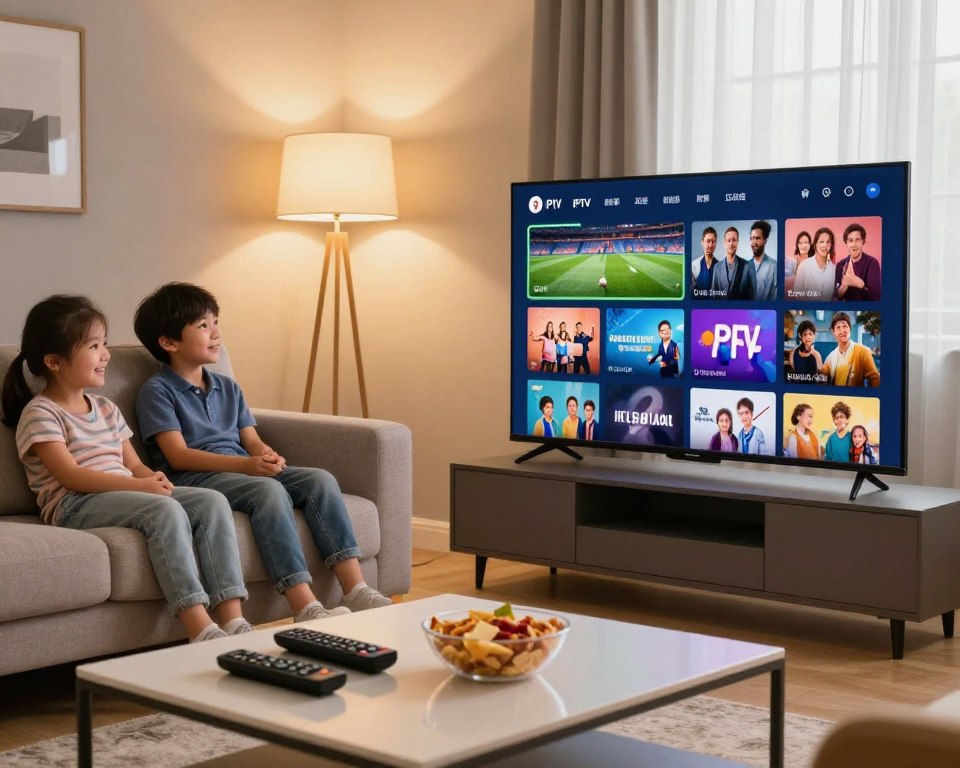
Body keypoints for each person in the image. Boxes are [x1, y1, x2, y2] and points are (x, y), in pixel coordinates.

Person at [133, 283, 391, 621]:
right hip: (195, 476)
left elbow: (250, 438)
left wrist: (266, 455)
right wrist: (247, 466)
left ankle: (355, 588)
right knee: (266, 490)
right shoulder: (157, 391)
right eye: (203, 326)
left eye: (215, 322)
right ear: (169, 342)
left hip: (241, 468)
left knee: (320, 480)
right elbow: (178, 456)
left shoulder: (227, 387)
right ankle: (303, 604)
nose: (216, 332)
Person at [0, 295, 250, 642]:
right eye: (94, 346)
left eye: (104, 344)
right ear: (54, 361)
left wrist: (151, 478)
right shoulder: (41, 413)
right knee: (162, 511)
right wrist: (140, 488)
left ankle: (233, 618)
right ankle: (198, 626)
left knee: (211, 502)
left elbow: (132, 464)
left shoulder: (105, 407)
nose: (106, 354)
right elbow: (72, 476)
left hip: (122, 492)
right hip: (74, 503)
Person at [820, 311, 880, 387]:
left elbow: (875, 379)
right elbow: (823, 382)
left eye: (845, 326)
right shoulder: (830, 357)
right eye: (838, 327)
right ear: (834, 332)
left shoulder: (863, 351)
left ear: (850, 330)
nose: (842, 331)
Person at [834, 222, 882, 301]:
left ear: (863, 241)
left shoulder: (872, 263)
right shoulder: (840, 265)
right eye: (850, 240)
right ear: (846, 243)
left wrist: (861, 285)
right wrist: (844, 285)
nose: (854, 244)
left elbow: (876, 298)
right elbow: (837, 296)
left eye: (857, 240)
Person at [792, 226, 836, 301]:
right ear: (815, 244)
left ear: (831, 245)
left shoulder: (834, 269)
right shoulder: (804, 266)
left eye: (828, 242)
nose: (824, 245)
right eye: (821, 242)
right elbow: (797, 294)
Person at [710, 226, 756, 300]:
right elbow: (714, 296)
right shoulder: (717, 267)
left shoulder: (747, 266)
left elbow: (751, 297)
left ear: (738, 242)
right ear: (724, 243)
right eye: (728, 240)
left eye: (734, 240)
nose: (731, 243)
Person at [748, 220, 777, 301]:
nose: (754, 242)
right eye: (752, 238)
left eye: (757, 238)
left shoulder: (774, 266)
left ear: (765, 240)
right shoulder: (745, 267)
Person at [690, 226, 719, 298]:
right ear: (702, 242)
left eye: (713, 242)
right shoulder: (694, 265)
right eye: (708, 241)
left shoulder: (720, 266)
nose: (710, 245)